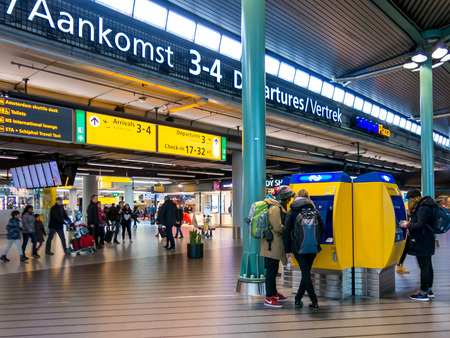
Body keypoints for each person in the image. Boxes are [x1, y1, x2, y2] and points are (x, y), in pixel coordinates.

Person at [283, 189, 326, 310]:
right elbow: (322, 228)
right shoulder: (314, 210)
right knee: (306, 272)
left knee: (305, 273)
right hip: (313, 247)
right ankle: (298, 298)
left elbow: (286, 232)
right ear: (307, 198)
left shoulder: (292, 211)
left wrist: (288, 250)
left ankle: (314, 300)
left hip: (298, 248)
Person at [261, 185, 295, 308]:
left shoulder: (277, 206)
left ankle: (274, 293)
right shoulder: (275, 208)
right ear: (283, 197)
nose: (289, 200)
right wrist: (288, 230)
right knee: (271, 271)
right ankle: (269, 298)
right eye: (288, 198)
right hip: (271, 245)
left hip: (274, 244)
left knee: (274, 270)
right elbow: (277, 227)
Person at [399, 188, 436, 301]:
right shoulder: (426, 206)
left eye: (409, 200)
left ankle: (423, 293)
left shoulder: (423, 208)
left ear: (412, 199)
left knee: (424, 266)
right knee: (427, 265)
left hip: (423, 241)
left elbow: (420, 225)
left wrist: (408, 225)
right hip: (426, 240)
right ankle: (428, 290)